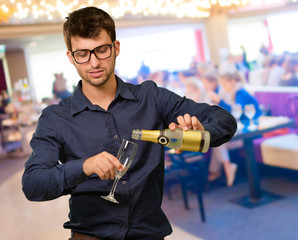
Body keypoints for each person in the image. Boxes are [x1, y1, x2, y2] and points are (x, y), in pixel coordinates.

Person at [22, 7, 237, 240]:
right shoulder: (55, 117)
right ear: (70, 57)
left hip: (149, 233)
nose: (93, 62)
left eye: (101, 50)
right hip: (89, 235)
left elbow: (224, 120)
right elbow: (33, 184)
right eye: (82, 54)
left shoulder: (151, 97)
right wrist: (84, 167)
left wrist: (200, 131)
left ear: (116, 48)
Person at [206, 72, 262, 186]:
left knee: (218, 141)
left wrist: (218, 101)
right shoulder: (235, 92)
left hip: (252, 132)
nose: (223, 87)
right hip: (245, 129)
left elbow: (236, 111)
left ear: (232, 81)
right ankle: (223, 168)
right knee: (217, 142)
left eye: (224, 84)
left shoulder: (240, 93)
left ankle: (220, 170)